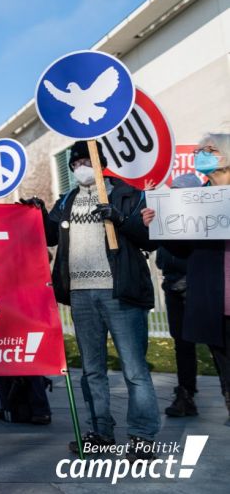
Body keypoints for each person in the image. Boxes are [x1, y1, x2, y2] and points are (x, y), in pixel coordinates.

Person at [21, 140, 159, 460]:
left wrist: (120, 219)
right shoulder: (67, 199)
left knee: (134, 369)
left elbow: (149, 238)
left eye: (86, 161)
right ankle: (100, 432)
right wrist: (36, 211)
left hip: (119, 292)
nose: (80, 168)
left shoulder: (126, 194)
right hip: (81, 294)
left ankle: (142, 436)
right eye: (76, 163)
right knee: (92, 370)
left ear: (101, 164)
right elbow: (49, 235)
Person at [142, 133, 230, 418]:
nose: (201, 155)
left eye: (209, 150)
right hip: (212, 296)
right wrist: (160, 226)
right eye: (198, 151)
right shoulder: (197, 198)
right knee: (223, 361)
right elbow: (183, 248)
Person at [154, 174, 207, 418]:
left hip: (197, 283)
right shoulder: (166, 216)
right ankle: (186, 393)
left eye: (180, 191)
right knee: (182, 343)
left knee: (216, 344)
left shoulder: (201, 218)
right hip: (172, 282)